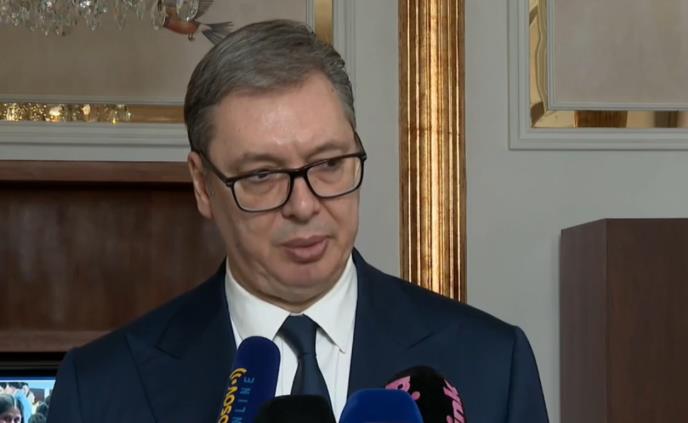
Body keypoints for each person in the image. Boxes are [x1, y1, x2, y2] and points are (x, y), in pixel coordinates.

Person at [49, 19, 549, 422]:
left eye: (329, 164)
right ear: (203, 185)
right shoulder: (100, 387)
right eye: (262, 175)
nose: (304, 205)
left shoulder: (490, 365)